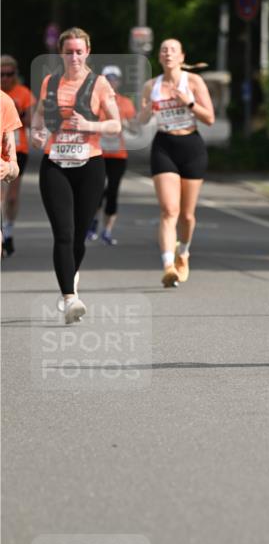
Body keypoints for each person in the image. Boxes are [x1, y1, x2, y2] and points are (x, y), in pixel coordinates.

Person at [31, 27, 121, 324]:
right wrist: (37, 133)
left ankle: (70, 276)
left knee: (79, 235)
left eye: (79, 51)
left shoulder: (99, 84)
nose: (74, 57)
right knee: (64, 233)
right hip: (55, 164)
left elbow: (115, 125)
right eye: (68, 51)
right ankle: (70, 297)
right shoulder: (50, 82)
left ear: (88, 52)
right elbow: (39, 119)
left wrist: (90, 126)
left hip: (90, 166)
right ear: (61, 53)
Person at [137, 38, 214, 287]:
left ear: (182, 56)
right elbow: (139, 120)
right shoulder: (152, 85)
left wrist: (188, 102)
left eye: (173, 50)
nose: (168, 54)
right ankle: (168, 265)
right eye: (163, 51)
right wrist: (147, 111)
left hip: (191, 146)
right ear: (159, 58)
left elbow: (210, 118)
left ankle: (184, 253)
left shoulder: (193, 82)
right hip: (164, 146)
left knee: (187, 216)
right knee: (169, 210)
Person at [87, 64, 136, 245]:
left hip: (118, 154)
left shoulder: (125, 102)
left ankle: (107, 230)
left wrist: (125, 122)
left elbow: (134, 127)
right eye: (108, 78)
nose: (111, 82)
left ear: (119, 81)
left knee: (113, 191)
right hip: (97, 152)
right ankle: (92, 225)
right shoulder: (94, 101)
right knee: (97, 190)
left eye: (114, 78)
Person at [1, 54, 35, 256]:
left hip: (18, 149)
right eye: (1, 74)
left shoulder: (22, 93)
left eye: (9, 74)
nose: (5, 78)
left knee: (12, 197)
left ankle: (9, 229)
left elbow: (31, 121)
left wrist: (18, 112)